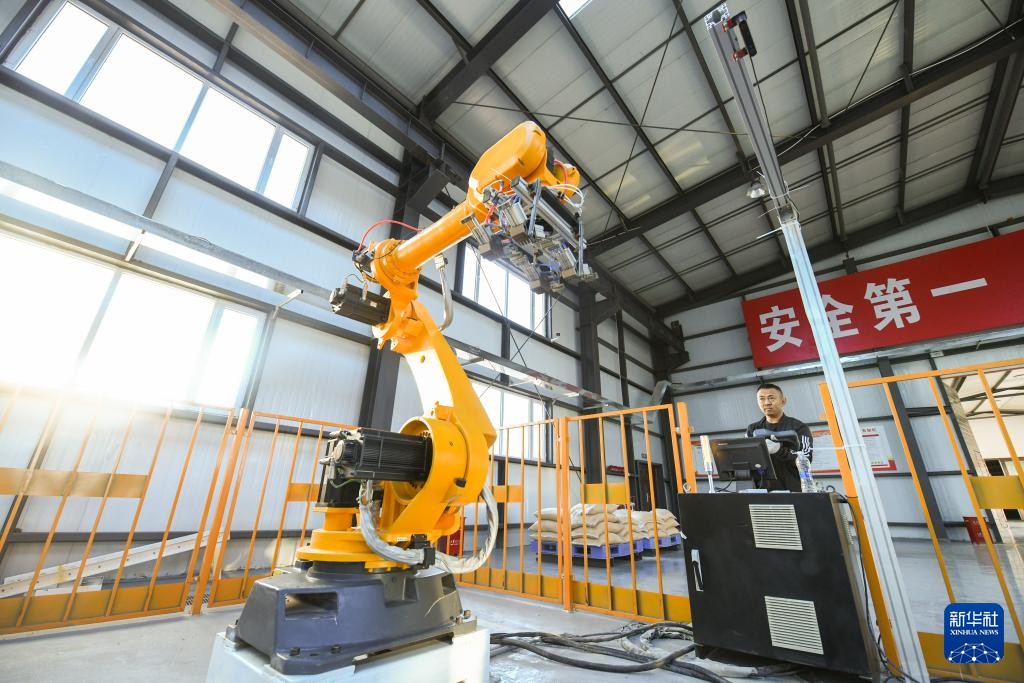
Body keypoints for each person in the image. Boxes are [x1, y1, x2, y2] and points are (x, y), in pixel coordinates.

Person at [745, 383, 813, 492]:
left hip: (794, 491)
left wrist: (779, 450)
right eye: (762, 399)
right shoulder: (753, 429)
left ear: (783, 401)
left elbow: (806, 459)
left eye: (771, 398)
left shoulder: (799, 427)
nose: (767, 403)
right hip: (763, 492)